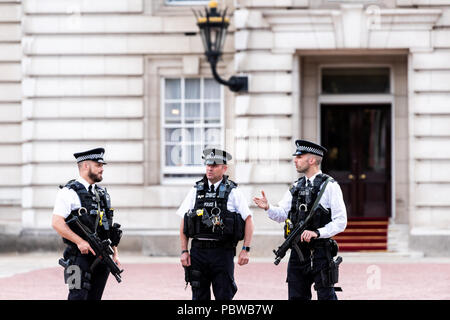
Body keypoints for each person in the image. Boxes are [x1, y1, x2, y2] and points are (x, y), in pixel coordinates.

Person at [253, 139, 347, 300]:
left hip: (320, 252)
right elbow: (282, 213)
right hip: (297, 253)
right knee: (296, 297)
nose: (295, 160)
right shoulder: (296, 186)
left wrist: (317, 232)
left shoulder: (330, 186)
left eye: (299, 157)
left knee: (326, 297)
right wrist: (269, 207)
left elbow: (341, 221)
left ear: (311, 160)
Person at [177, 148, 254, 300]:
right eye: (208, 165)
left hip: (222, 252)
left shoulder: (233, 192)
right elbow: (183, 221)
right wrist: (184, 251)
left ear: (224, 168)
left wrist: (246, 248)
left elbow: (249, 220)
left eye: (214, 165)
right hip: (198, 252)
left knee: (224, 296)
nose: (210, 168)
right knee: (198, 297)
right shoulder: (196, 190)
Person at [51, 147, 122, 300]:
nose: (102, 169)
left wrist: (115, 253)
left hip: (102, 258)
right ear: (85, 166)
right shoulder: (68, 192)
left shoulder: (102, 194)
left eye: (102, 165)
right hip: (78, 258)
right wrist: (80, 242)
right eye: (98, 165)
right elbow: (57, 222)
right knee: (77, 297)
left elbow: (108, 226)